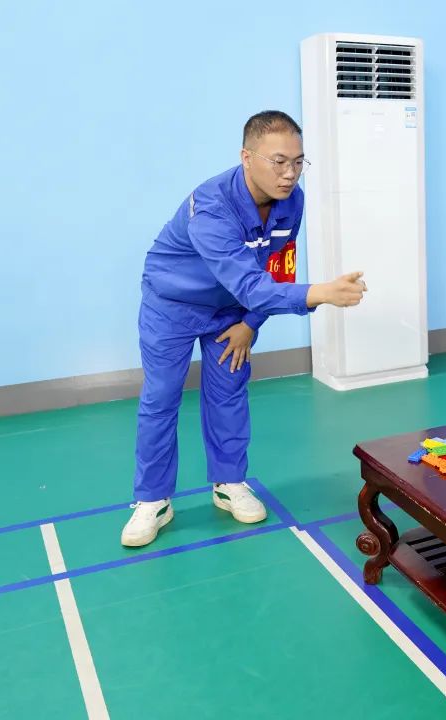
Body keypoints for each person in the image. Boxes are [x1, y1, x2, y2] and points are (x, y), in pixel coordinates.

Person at [121, 111, 367, 547]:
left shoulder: (292, 201)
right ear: (246, 157)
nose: (290, 174)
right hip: (172, 305)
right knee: (161, 397)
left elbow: (276, 268)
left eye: (298, 162)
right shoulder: (210, 207)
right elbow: (253, 284)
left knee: (229, 393)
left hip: (232, 310)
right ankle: (153, 500)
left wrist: (250, 324)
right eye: (279, 162)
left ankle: (229, 483)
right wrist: (322, 293)